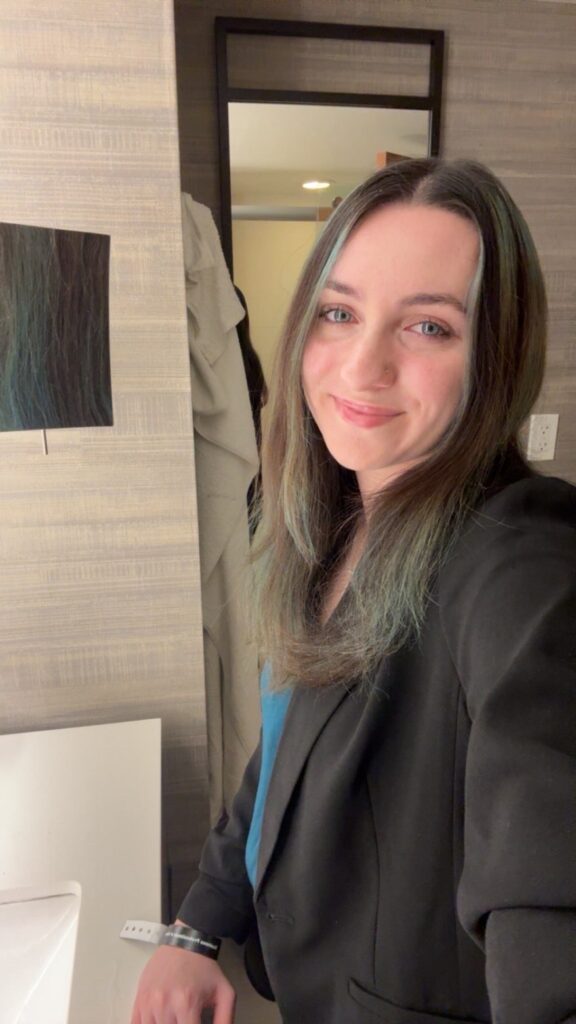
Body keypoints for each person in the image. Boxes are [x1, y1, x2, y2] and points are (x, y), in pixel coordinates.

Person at [131, 158, 576, 1024]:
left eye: (430, 328)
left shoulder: (526, 564)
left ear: (498, 357)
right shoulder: (333, 517)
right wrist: (196, 925)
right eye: (339, 313)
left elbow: (548, 882)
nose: (363, 367)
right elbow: (282, 750)